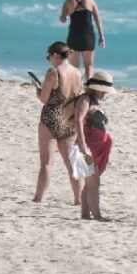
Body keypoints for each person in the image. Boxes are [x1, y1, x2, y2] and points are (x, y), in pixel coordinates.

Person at [34, 41, 84, 205]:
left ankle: (38, 198)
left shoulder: (53, 72)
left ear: (55, 55)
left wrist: (37, 88)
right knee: (72, 165)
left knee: (46, 163)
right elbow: (79, 97)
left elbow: (44, 98)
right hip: (69, 120)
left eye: (49, 57)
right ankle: (78, 200)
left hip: (51, 120)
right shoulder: (77, 72)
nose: (49, 60)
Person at [73, 70, 116, 221]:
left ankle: (85, 215)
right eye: (104, 90)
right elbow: (78, 119)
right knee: (94, 183)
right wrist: (82, 144)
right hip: (86, 147)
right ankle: (97, 216)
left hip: (95, 147)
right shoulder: (85, 99)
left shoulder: (94, 100)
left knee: (89, 183)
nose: (105, 93)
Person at [59, 0, 106, 83]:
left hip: (74, 36)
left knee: (74, 67)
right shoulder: (91, 1)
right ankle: (89, 86)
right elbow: (98, 20)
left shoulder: (68, 2)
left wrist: (65, 17)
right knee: (89, 65)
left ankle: (77, 86)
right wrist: (101, 36)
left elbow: (62, 19)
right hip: (87, 36)